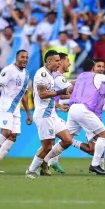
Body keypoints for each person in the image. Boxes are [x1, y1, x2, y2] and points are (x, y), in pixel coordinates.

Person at [0, 50, 31, 173]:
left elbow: (24, 95)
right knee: (6, 132)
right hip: (5, 106)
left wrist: (28, 113)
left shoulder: (27, 73)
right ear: (16, 57)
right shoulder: (8, 70)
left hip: (16, 109)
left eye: (26, 57)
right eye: (22, 57)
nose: (25, 59)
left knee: (13, 136)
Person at [25, 50, 73, 180]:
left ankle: (44, 162)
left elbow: (52, 95)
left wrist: (64, 99)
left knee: (68, 140)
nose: (59, 63)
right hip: (43, 115)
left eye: (59, 60)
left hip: (52, 114)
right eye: (57, 60)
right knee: (47, 146)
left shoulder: (51, 75)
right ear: (48, 61)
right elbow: (42, 94)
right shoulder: (42, 74)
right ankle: (31, 170)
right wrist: (61, 91)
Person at [66, 58, 105, 175]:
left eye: (103, 67)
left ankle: (100, 167)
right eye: (98, 66)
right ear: (94, 68)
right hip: (86, 114)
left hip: (94, 116)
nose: (101, 69)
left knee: (95, 148)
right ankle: (95, 165)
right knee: (102, 138)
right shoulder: (92, 78)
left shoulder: (103, 83)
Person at [47, 52, 73, 174]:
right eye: (68, 61)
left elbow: (56, 95)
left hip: (52, 112)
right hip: (47, 114)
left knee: (54, 139)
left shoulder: (55, 77)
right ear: (61, 62)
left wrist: (59, 105)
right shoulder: (58, 77)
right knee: (51, 140)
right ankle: (42, 163)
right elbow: (71, 91)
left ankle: (52, 160)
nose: (70, 63)